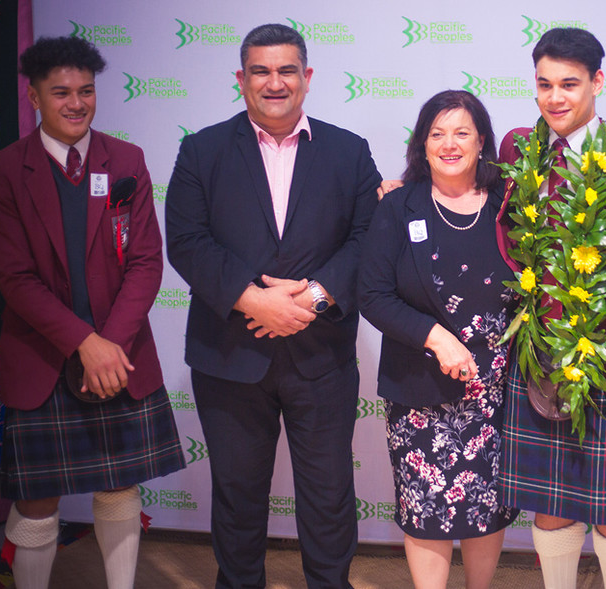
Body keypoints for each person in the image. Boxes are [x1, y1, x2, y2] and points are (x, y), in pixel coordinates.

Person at [165, 23, 380, 589]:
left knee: (330, 496)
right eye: (261, 70)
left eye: (287, 70)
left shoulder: (349, 151)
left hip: (322, 355)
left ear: (306, 78)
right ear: (241, 79)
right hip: (228, 354)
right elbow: (186, 240)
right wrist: (252, 299)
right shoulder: (201, 150)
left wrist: (311, 296)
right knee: (237, 496)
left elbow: (368, 239)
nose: (274, 82)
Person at [0, 36, 185, 589]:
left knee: (120, 485)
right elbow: (15, 280)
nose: (76, 103)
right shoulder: (3, 172)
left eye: (86, 91)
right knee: (37, 501)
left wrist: (110, 346)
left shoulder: (126, 160)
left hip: (119, 356)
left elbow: (147, 262)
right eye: (61, 93)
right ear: (33, 96)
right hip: (41, 358)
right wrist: (85, 343)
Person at [495, 28, 606, 589]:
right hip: (538, 356)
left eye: (569, 84)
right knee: (550, 503)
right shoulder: (519, 150)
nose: (555, 98)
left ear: (597, 81)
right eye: (544, 84)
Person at [359, 90, 518, 589]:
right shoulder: (396, 206)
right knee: (425, 508)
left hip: (496, 389)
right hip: (420, 387)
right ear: (422, 144)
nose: (449, 144)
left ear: (482, 141)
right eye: (437, 133)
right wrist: (435, 338)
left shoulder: (509, 204)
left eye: (461, 133)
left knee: (486, 506)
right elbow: (373, 294)